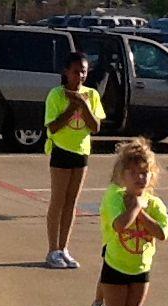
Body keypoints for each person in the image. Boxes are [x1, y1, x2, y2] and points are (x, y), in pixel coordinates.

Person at [97, 138, 168, 306]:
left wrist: (142, 209)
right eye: (135, 173)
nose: (141, 178)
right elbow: (120, 225)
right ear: (123, 174)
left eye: (145, 173)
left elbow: (161, 232)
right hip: (116, 267)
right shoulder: (115, 198)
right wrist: (134, 207)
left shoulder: (155, 204)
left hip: (141, 270)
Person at [44, 52, 106, 268]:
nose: (80, 76)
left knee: (71, 202)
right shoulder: (56, 95)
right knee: (58, 201)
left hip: (82, 151)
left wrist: (83, 103)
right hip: (61, 150)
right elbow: (53, 126)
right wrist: (72, 106)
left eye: (84, 71)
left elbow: (95, 126)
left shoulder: (91, 95)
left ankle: (64, 248)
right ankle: (52, 250)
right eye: (76, 71)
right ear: (66, 72)